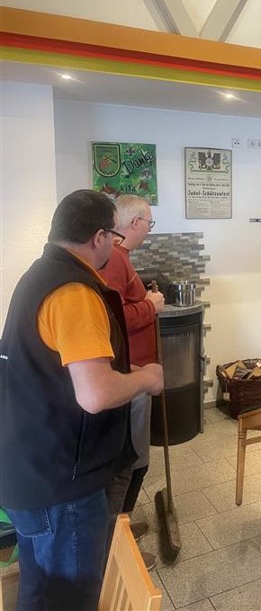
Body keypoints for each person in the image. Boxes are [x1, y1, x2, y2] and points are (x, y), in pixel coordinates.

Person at [0, 190, 164, 611]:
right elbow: (96, 394)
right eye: (113, 236)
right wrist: (146, 378)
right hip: (62, 485)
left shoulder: (39, 275)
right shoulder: (74, 292)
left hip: (29, 468)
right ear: (98, 237)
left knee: (40, 589)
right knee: (70, 598)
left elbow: (60, 371)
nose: (115, 244)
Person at [100, 195, 165, 571]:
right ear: (135, 223)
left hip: (136, 372)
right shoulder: (114, 258)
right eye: (149, 224)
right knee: (132, 461)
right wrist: (150, 306)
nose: (149, 231)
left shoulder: (119, 257)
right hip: (129, 374)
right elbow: (112, 317)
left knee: (136, 457)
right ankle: (115, 544)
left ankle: (121, 530)